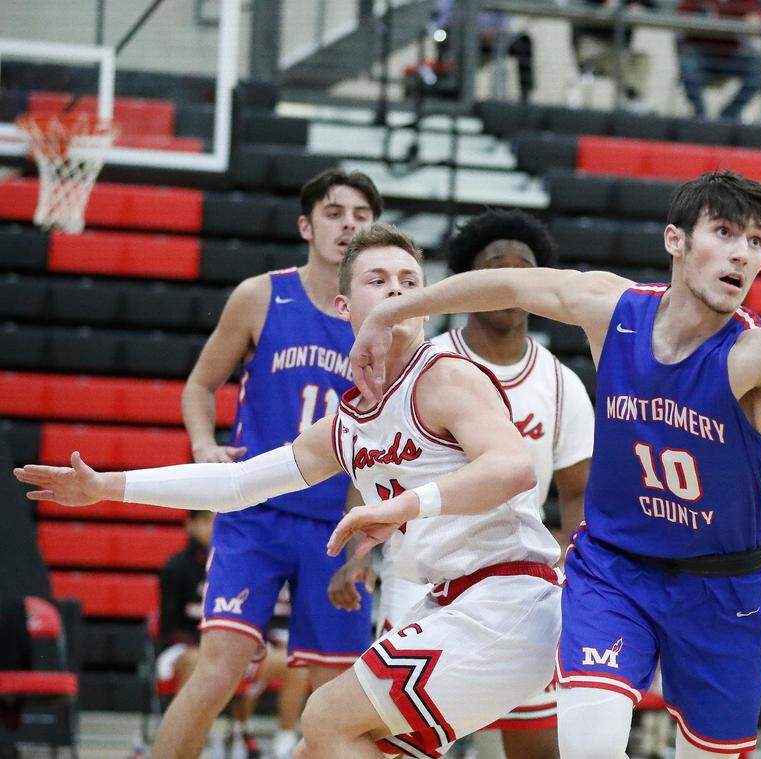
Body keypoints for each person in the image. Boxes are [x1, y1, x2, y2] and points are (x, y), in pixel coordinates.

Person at [340, 169, 761, 757]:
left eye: (757, 242)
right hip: (615, 569)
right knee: (589, 743)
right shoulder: (614, 311)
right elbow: (511, 280)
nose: (742, 252)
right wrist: (397, 308)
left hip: (723, 589)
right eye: (725, 232)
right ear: (675, 242)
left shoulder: (758, 354)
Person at [16, 222, 562, 758]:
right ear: (342, 307)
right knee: (315, 751)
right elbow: (237, 483)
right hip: (452, 603)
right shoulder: (347, 425)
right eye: (377, 279)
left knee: (325, 714)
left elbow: (514, 468)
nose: (396, 289)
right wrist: (107, 486)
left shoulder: (445, 376)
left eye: (409, 280)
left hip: (508, 598)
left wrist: (402, 504)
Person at [342, 209, 594, 758]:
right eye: (494, 267)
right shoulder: (428, 362)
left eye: (523, 268)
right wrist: (355, 555)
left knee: (534, 746)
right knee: (396, 741)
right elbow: (371, 456)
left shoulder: (561, 382)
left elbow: (576, 494)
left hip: (513, 579)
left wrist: (577, 574)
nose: (509, 278)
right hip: (423, 574)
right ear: (468, 283)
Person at [167, 168, 383, 758]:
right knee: (215, 673)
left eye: (362, 216)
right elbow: (199, 387)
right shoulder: (261, 295)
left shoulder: (384, 320)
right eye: (336, 213)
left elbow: (380, 442)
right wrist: (202, 445)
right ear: (306, 225)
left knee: (337, 697)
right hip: (255, 514)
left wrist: (363, 544)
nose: (348, 225)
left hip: (332, 527)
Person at [157, 512, 308, 759]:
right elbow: (169, 624)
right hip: (183, 646)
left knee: (294, 663)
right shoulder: (176, 567)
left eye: (214, 521)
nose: (211, 528)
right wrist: (203, 646)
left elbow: (256, 615)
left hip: (229, 645)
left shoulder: (241, 563)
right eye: (205, 521)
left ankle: (285, 737)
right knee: (201, 663)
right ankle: (195, 740)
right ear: (190, 525)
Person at [676, 0, 761, 121]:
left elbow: (756, 20)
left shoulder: (745, 2)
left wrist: (754, 21)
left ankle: (728, 116)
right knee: (688, 65)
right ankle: (700, 115)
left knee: (758, 74)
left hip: (730, 56)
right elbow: (681, 19)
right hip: (701, 54)